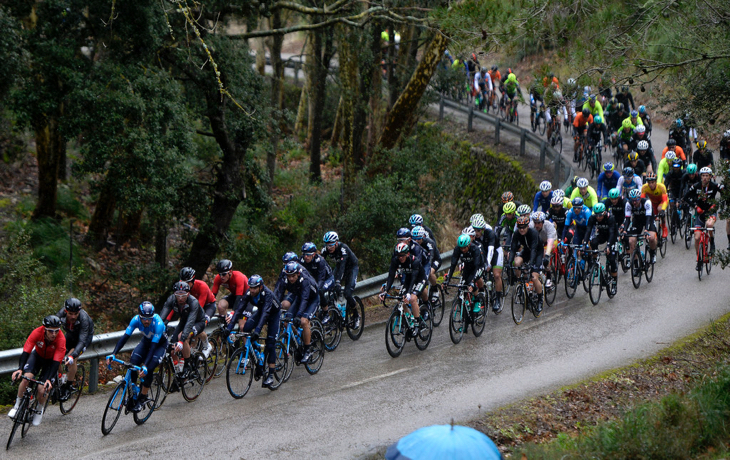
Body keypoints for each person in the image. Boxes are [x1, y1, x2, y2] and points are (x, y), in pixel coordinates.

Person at [107, 302, 166, 413]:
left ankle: (142, 397)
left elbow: (153, 348)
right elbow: (125, 337)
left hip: (159, 345)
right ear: (139, 316)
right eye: (144, 318)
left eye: (149, 318)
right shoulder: (135, 320)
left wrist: (145, 366)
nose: (147, 321)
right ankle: (133, 392)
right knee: (133, 363)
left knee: (149, 368)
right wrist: (113, 353)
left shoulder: (158, 324)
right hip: (146, 342)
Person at [226, 274, 281, 388]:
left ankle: (270, 374)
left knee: (270, 344)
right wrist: (229, 328)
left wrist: (257, 330)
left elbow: (265, 314)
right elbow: (239, 310)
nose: (252, 290)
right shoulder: (248, 293)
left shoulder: (267, 295)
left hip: (273, 314)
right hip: (261, 312)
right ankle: (258, 355)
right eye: (250, 287)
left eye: (254, 288)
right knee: (245, 329)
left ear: (260, 287)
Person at [9, 315, 66, 425]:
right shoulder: (37, 332)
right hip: (37, 356)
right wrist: (19, 369)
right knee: (26, 379)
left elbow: (56, 362)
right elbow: (26, 350)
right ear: (45, 329)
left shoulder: (61, 339)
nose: (54, 334)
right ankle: (17, 406)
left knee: (42, 388)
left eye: (56, 331)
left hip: (51, 362)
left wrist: (49, 380)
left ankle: (39, 409)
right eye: (50, 331)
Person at [159, 281, 210, 374]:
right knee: (173, 344)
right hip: (184, 320)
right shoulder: (171, 299)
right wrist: (159, 328)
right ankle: (178, 370)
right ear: (174, 294)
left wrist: (182, 341)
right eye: (178, 295)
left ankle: (187, 365)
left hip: (198, 321)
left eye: (183, 295)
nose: (180, 298)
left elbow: (190, 322)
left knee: (182, 337)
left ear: (188, 294)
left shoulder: (193, 301)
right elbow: (162, 318)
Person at [278, 261, 319, 363]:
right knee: (286, 322)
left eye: (293, 276)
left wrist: (299, 315)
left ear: (298, 274)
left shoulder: (304, 280)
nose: (291, 278)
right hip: (299, 298)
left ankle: (307, 349)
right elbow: (278, 295)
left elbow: (305, 299)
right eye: (289, 276)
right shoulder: (285, 280)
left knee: (303, 321)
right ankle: (297, 341)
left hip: (312, 300)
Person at [381, 242, 432, 321]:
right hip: (408, 279)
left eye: (402, 255)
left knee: (412, 299)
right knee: (400, 300)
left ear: (407, 254)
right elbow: (391, 276)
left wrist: (408, 293)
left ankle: (417, 322)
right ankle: (409, 319)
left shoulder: (415, 261)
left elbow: (414, 278)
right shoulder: (395, 261)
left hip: (420, 279)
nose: (400, 258)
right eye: (398, 255)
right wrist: (386, 291)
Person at [56, 298, 94, 400]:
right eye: (70, 313)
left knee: (71, 359)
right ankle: (60, 379)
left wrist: (72, 356)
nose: (73, 316)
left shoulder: (84, 319)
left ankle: (68, 386)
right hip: (71, 334)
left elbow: (81, 341)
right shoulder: (61, 314)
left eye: (75, 314)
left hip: (84, 339)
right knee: (56, 355)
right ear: (65, 311)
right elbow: (52, 327)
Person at [322, 231, 360, 329]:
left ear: (336, 242)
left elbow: (343, 267)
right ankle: (335, 316)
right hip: (339, 267)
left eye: (331, 245)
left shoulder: (343, 248)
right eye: (327, 245)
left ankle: (356, 315)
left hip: (351, 268)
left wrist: (338, 282)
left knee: (347, 293)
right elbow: (321, 265)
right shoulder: (325, 250)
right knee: (330, 289)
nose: (329, 247)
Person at [683, 167, 723, 262]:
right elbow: (686, 197)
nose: (705, 178)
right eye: (703, 176)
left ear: (710, 177)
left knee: (709, 225)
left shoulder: (714, 186)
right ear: (700, 176)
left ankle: (712, 242)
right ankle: (699, 258)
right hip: (699, 213)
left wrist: (717, 204)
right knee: (696, 237)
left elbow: (725, 194)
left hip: (710, 211)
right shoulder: (696, 186)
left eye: (707, 176)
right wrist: (695, 206)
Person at [509, 215, 544, 313]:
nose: (521, 229)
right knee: (517, 262)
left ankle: (540, 299)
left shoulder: (533, 233)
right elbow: (513, 248)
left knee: (534, 277)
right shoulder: (516, 233)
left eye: (523, 227)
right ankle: (520, 282)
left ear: (528, 226)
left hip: (537, 252)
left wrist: (531, 264)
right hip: (527, 251)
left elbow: (534, 250)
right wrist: (509, 262)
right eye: (520, 227)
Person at [583, 203, 618, 293]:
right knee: (593, 242)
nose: (598, 217)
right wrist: (584, 244)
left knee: (612, 258)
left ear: (604, 213)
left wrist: (609, 246)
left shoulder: (610, 218)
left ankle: (614, 283)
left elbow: (611, 233)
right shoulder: (592, 218)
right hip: (602, 235)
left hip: (612, 236)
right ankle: (595, 261)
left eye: (600, 215)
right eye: (596, 215)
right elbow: (588, 231)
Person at [621, 189, 658, 264]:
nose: (634, 202)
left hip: (648, 219)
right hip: (637, 221)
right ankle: (635, 264)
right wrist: (624, 231)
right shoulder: (629, 204)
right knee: (631, 241)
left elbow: (648, 218)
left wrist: (646, 230)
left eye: (636, 200)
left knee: (651, 238)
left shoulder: (646, 202)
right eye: (632, 200)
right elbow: (627, 219)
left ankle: (653, 253)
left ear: (640, 198)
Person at [412, 225, 442, 295]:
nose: (416, 241)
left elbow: (431, 256)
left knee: (430, 273)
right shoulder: (413, 244)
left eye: (418, 239)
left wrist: (428, 266)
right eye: (414, 239)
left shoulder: (429, 242)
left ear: (423, 237)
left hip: (435, 259)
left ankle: (435, 289)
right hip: (424, 261)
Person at [640, 173, 669, 240]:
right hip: (653, 203)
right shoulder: (644, 187)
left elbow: (665, 200)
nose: (651, 184)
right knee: (651, 216)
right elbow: (642, 200)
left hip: (661, 202)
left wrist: (662, 210)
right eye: (649, 183)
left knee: (660, 209)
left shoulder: (661, 187)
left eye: (652, 182)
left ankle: (664, 227)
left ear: (656, 181)